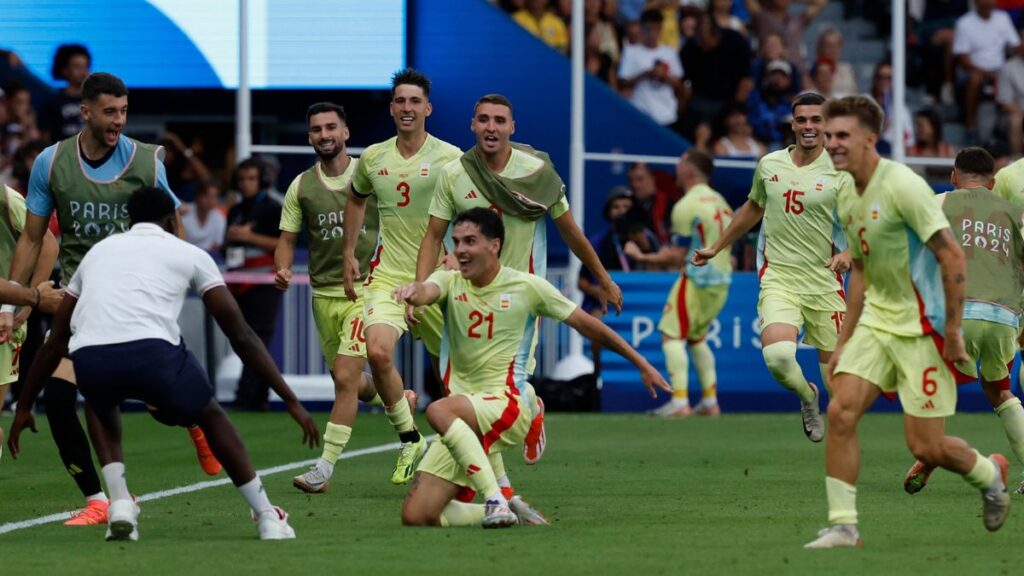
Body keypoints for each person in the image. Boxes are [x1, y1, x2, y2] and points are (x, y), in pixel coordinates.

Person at [6, 186, 319, 541]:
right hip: (154, 354)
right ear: (172, 219)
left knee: (99, 401)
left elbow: (57, 339)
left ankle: (120, 502)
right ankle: (266, 514)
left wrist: (26, 404)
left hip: (91, 356)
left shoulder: (98, 252)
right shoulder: (187, 252)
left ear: (129, 221)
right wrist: (290, 399)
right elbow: (242, 335)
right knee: (211, 414)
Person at [0, 72, 219, 528]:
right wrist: (11, 306)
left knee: (161, 402)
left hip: (136, 298)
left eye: (124, 111)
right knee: (58, 399)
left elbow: (173, 232)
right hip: (81, 302)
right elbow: (32, 240)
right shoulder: (51, 162)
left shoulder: (145, 162)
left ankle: (193, 420)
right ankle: (101, 499)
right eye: (109, 112)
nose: (119, 120)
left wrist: (169, 291)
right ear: (86, 112)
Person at [806, 96, 1011, 549]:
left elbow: (952, 255)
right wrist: (844, 339)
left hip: (923, 331)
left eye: (841, 135)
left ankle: (989, 472)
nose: (832, 143)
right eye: (829, 134)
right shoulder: (845, 191)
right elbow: (860, 268)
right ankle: (844, 525)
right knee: (840, 411)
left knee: (927, 448)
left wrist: (954, 332)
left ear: (867, 139)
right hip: (878, 326)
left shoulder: (903, 186)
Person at [396, 208, 670, 528]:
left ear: (494, 245)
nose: (461, 250)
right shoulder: (449, 280)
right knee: (417, 516)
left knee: (438, 410)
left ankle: (495, 499)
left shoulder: (527, 287)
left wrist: (641, 362)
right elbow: (429, 288)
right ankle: (511, 511)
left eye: (471, 241)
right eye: (457, 242)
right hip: (466, 414)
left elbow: (588, 325)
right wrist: (414, 291)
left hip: (506, 404)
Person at [415, 94, 623, 489]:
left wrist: (603, 278)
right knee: (459, 390)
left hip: (518, 297)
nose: (491, 127)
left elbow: (570, 231)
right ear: (472, 126)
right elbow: (433, 236)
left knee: (506, 388)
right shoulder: (454, 173)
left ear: (513, 128)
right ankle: (501, 489)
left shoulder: (537, 172)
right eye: (483, 120)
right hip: (466, 295)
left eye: (499, 120)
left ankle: (529, 409)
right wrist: (424, 286)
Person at [693, 92, 853, 443]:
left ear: (826, 124)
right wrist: (717, 246)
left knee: (840, 392)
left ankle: (841, 465)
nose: (808, 126)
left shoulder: (843, 172)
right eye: (802, 120)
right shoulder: (770, 165)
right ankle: (808, 397)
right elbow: (753, 208)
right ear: (792, 124)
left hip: (825, 282)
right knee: (779, 357)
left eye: (816, 120)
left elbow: (867, 224)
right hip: (779, 277)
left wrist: (851, 254)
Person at [341, 69, 461, 485]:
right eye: (400, 101)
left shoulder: (451, 158)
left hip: (437, 282)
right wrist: (349, 253)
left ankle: (466, 459)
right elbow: (355, 199)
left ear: (427, 108)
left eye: (415, 102)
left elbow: (470, 214)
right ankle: (410, 438)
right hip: (388, 276)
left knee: (453, 386)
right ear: (391, 108)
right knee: (376, 352)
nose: (407, 108)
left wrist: (454, 262)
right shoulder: (373, 157)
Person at [275, 102, 398, 493]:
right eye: (316, 129)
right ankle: (394, 391)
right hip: (322, 295)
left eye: (331, 127)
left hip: (367, 291)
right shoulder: (301, 186)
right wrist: (281, 268)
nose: (324, 135)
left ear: (345, 132)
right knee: (350, 382)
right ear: (309, 136)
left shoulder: (371, 173)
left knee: (345, 377)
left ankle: (323, 469)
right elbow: (287, 240)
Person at [902, 147, 1024, 496]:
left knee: (935, 385)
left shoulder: (939, 203)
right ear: (994, 181)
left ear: (953, 177)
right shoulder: (1015, 213)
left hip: (957, 313)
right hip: (1005, 315)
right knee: (999, 390)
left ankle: (935, 452)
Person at [628, 151, 733, 417]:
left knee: (671, 335)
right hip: (723, 278)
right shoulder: (721, 201)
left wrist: (642, 256)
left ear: (690, 171)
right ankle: (710, 401)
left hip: (697, 278)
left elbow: (676, 254)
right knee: (697, 338)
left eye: (680, 163)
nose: (676, 167)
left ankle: (679, 401)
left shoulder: (687, 205)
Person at [225, 157, 283, 411]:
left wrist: (251, 236)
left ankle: (245, 398)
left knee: (256, 339)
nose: (246, 184)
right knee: (246, 340)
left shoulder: (273, 208)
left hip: (266, 282)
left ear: (263, 181)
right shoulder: (234, 210)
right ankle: (260, 398)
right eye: (242, 179)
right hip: (239, 282)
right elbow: (229, 246)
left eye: (251, 178)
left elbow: (283, 244)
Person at [40, 44, 90, 143]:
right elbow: (45, 137)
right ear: (64, 70)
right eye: (78, 67)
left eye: (86, 67)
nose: (83, 73)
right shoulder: (52, 102)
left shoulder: (95, 100)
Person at [181, 179, 226, 253]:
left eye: (214, 197)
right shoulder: (184, 212)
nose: (210, 201)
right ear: (198, 195)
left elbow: (218, 244)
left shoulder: (218, 216)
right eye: (207, 196)